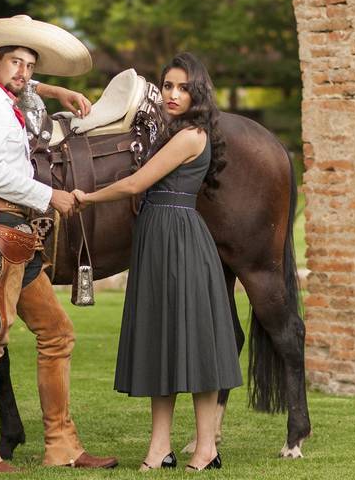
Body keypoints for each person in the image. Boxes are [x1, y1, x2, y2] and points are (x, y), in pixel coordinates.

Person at [0, 15, 118, 472]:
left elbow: (23, 89)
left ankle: (61, 446)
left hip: (16, 233)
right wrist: (52, 195)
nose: (23, 72)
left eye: (29, 64)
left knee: (56, 332)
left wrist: (54, 91)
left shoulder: (3, 98)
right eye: (15, 62)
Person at [72, 52, 241, 472]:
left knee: (195, 345)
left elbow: (135, 182)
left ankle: (206, 449)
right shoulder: (172, 132)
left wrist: (85, 198)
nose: (172, 94)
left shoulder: (189, 137)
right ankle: (159, 447)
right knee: (161, 342)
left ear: (197, 93)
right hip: (159, 237)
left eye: (183, 88)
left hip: (179, 239)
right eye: (167, 85)